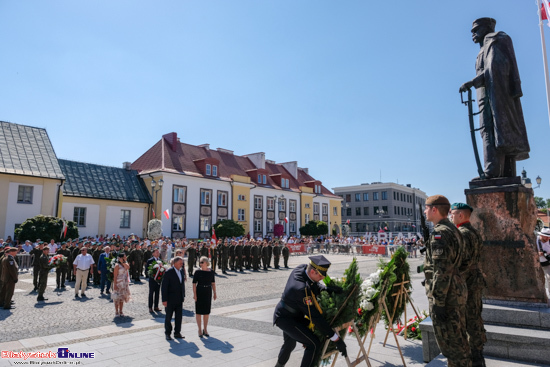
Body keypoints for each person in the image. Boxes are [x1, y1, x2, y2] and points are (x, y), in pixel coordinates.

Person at [459, 17, 529, 178]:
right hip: (488, 94)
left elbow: (497, 68)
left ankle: (492, 172)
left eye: (476, 29)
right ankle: (505, 173)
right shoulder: (484, 48)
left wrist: (473, 81)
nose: (473, 33)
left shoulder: (496, 40)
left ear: (488, 28)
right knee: (494, 130)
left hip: (496, 95)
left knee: (491, 129)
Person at [273, 255, 347, 367]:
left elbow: (313, 284)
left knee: (289, 344)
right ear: (313, 271)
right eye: (321, 276)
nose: (322, 278)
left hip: (291, 313)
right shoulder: (301, 290)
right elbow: (315, 316)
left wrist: (326, 289)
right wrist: (336, 339)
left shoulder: (302, 268)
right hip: (285, 318)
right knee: (313, 344)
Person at [423, 195, 470, 367]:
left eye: (426, 208)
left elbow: (442, 271)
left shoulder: (440, 233)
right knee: (459, 340)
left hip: (447, 297)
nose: (424, 211)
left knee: (452, 345)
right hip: (456, 290)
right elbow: (461, 263)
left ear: (434, 209)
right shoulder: (454, 229)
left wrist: (439, 302)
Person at [450, 202, 487, 367]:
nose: (450, 217)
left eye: (452, 214)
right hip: (475, 279)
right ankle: (478, 355)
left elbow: (462, 263)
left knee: (469, 319)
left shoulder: (463, 234)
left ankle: (475, 358)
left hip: (467, 282)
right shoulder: (473, 231)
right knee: (475, 316)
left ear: (460, 215)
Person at [161, 256, 186, 340]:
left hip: (179, 298)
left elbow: (182, 284)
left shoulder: (181, 271)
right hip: (170, 299)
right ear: (175, 263)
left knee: (179, 317)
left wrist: (183, 295)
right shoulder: (168, 272)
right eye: (180, 263)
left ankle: (177, 332)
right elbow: (164, 287)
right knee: (168, 317)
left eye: (182, 263)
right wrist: (164, 300)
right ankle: (168, 333)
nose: (182, 264)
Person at [193, 256, 216, 338]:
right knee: (198, 311)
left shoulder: (211, 272)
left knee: (206, 312)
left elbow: (213, 283)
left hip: (208, 292)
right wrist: (194, 294)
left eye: (202, 262)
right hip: (199, 291)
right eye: (200, 262)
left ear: (206, 263)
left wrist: (215, 293)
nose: (200, 263)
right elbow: (194, 283)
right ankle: (199, 329)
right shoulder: (197, 272)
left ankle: (205, 329)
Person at [112, 252, 131, 317]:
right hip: (118, 282)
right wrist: (114, 285)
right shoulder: (117, 265)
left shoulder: (125, 263)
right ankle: (116, 311)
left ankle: (121, 311)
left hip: (124, 283)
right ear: (121, 258)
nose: (126, 258)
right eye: (124, 257)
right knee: (117, 297)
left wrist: (123, 262)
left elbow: (128, 267)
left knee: (122, 297)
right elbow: (115, 276)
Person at [536, 227, 550, 298]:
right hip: (536, 264)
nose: (548, 238)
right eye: (546, 237)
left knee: (549, 278)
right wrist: (538, 253)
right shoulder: (535, 240)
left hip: (547, 263)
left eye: (549, 237)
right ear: (541, 235)